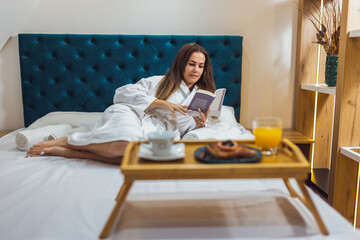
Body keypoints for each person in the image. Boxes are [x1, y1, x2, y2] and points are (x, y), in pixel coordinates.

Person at [27, 43, 216, 164]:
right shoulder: (159, 81)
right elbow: (121, 93)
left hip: (162, 131)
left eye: (201, 66)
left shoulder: (200, 96)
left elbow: (184, 134)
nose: (196, 70)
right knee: (124, 146)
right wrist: (161, 103)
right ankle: (67, 141)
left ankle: (64, 151)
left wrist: (197, 125)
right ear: (181, 63)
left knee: (132, 157)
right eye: (192, 64)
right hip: (130, 114)